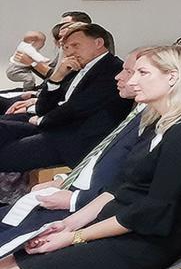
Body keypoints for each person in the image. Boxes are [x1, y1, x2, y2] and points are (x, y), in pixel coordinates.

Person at [0, 45, 181, 269]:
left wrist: (76, 237)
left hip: (141, 242)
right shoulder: (157, 122)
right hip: (115, 223)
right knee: (7, 261)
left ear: (172, 76)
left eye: (142, 73)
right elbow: (120, 187)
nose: (132, 80)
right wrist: (68, 225)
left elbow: (152, 211)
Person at [0, 49, 146, 248]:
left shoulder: (151, 119)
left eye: (74, 44)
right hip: (66, 149)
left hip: (70, 143)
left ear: (97, 43)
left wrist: (75, 200)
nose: (68, 49)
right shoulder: (138, 112)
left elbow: (135, 187)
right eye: (64, 45)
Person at [0, 23, 131, 172]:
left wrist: (41, 120)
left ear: (98, 43)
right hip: (54, 127)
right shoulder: (76, 67)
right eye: (67, 48)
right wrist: (57, 76)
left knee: (5, 155)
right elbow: (43, 108)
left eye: (76, 45)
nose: (70, 52)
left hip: (72, 140)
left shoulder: (113, 70)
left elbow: (78, 107)